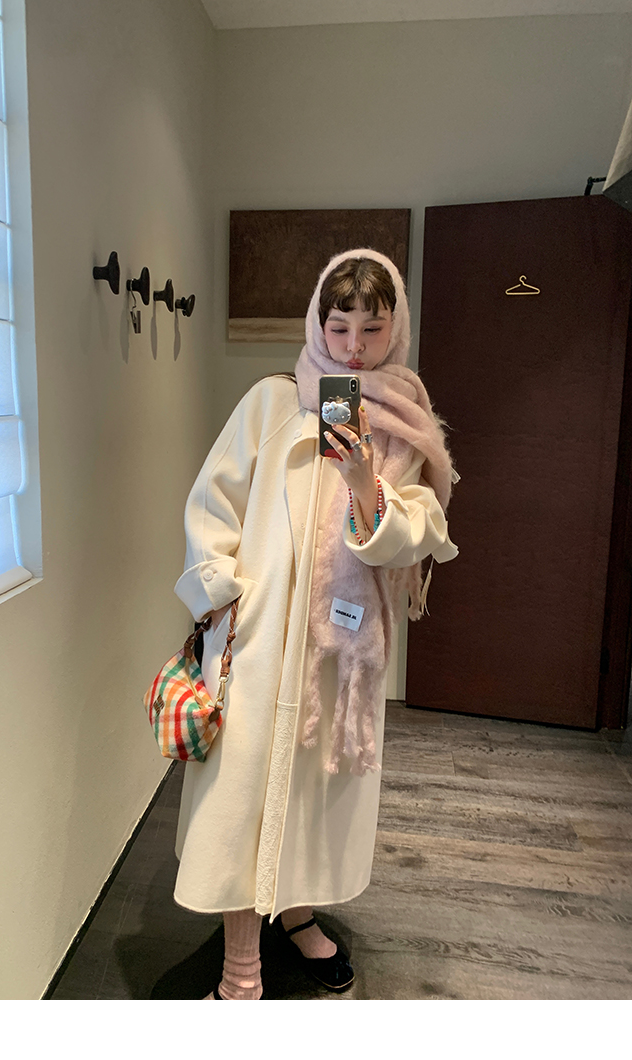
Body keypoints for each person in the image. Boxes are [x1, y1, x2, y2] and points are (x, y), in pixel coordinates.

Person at [172, 248, 459, 1000]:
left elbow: (419, 533)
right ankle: (241, 970)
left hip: (340, 654)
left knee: (308, 792)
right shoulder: (272, 403)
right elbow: (212, 501)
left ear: (396, 325)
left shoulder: (406, 423)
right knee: (244, 794)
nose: (354, 348)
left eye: (372, 327)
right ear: (317, 324)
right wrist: (223, 597)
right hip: (259, 640)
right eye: (339, 327)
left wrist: (366, 486)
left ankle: (295, 909)